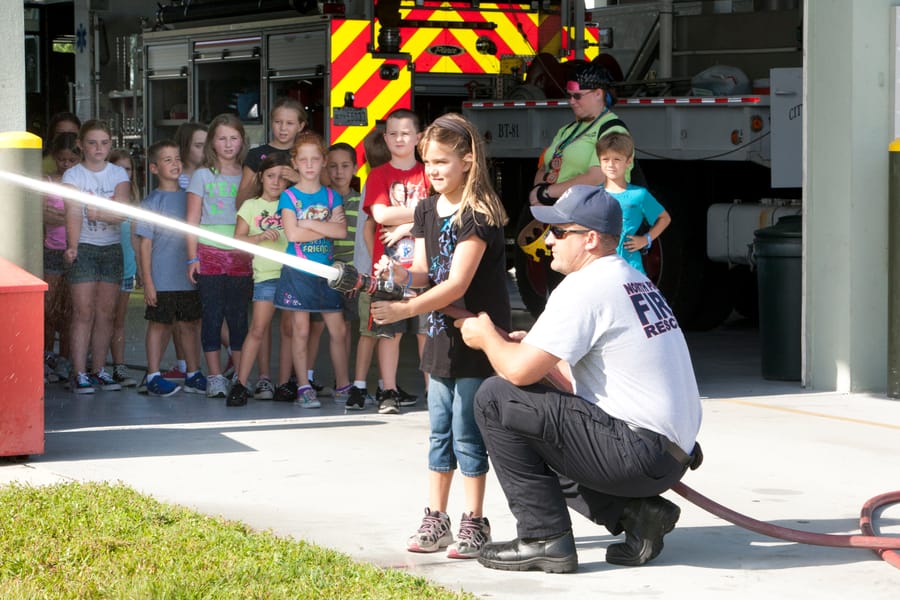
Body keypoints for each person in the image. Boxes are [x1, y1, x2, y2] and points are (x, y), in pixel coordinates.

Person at [457, 185, 702, 573]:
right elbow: (573, 382)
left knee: (496, 399)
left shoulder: (585, 287)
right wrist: (531, 349)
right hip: (667, 454)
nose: (547, 240)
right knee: (532, 415)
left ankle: (544, 539)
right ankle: (636, 514)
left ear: (590, 239)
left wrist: (487, 337)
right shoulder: (629, 279)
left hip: (638, 453)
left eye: (559, 231)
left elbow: (516, 371)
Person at [370, 113, 510, 559]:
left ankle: (475, 520)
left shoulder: (479, 214)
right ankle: (436, 517)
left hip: (474, 338)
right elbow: (425, 272)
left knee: (467, 432)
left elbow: (456, 284)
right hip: (439, 338)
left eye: (442, 161)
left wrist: (404, 309)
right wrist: (399, 274)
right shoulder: (426, 210)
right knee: (438, 433)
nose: (432, 170)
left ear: (467, 161)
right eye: (428, 162)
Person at [274, 130, 351, 408]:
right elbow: (292, 235)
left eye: (315, 159)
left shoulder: (332, 196)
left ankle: (344, 385)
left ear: (323, 161)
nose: (309, 165)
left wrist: (307, 224)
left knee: (338, 330)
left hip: (327, 272)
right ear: (294, 162)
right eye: (303, 159)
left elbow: (340, 231)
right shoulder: (289, 196)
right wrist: (324, 227)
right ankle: (303, 387)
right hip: (298, 272)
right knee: (301, 331)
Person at [362, 108, 429, 414]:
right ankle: (388, 391)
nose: (399, 138)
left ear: (418, 137)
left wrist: (405, 227)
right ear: (385, 138)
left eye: (405, 133)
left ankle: (433, 391)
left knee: (426, 331)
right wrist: (422, 212)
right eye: (393, 133)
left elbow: (439, 210)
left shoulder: (429, 173)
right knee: (390, 332)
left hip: (424, 268)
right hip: (387, 270)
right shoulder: (378, 175)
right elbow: (380, 215)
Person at [186, 113, 254, 400]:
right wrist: (192, 258)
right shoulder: (202, 175)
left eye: (233, 138)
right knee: (212, 316)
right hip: (209, 252)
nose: (228, 144)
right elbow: (191, 219)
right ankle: (215, 376)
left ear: (242, 141)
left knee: (238, 317)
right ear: (212, 142)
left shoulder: (249, 175)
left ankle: (240, 376)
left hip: (241, 253)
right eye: (222, 138)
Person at [62, 120, 131, 394]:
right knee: (83, 312)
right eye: (92, 142)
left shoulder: (118, 174)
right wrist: (72, 245)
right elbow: (73, 211)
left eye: (104, 143)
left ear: (110, 144)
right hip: (85, 246)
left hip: (111, 247)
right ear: (81, 145)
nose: (98, 148)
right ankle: (79, 372)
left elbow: (122, 212)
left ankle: (99, 369)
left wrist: (98, 212)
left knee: (106, 313)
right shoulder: (73, 176)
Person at [136, 140, 206, 397]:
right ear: (154, 168)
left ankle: (193, 374)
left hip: (188, 276)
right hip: (162, 279)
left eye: (177, 158)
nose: (175, 164)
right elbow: (144, 245)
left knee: (189, 324)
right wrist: (148, 281)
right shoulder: (151, 202)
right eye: (167, 160)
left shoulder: (191, 198)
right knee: (160, 324)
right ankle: (153, 375)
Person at [226, 154, 292, 407]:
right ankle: (240, 383)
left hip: (292, 274)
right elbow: (237, 240)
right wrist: (260, 237)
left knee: (289, 330)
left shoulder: (293, 202)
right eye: (271, 176)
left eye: (282, 177)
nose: (276, 182)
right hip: (266, 275)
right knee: (257, 329)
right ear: (261, 177)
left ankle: (284, 384)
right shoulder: (251, 206)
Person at [307, 142, 360, 404]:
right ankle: (305, 379)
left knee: (344, 327)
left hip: (349, 275)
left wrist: (356, 275)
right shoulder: (320, 201)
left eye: (345, 166)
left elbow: (363, 243)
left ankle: (343, 382)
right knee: (315, 326)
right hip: (322, 272)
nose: (339, 172)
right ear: (325, 168)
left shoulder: (362, 202)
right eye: (333, 166)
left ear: (356, 168)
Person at [346, 126, 391, 411]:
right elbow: (369, 231)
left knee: (370, 333)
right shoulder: (380, 185)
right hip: (377, 275)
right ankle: (374, 387)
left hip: (367, 273)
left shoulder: (369, 184)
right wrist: (378, 267)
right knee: (379, 332)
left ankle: (363, 386)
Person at [597, 133, 670, 274]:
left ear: (629, 161)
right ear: (599, 161)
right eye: (605, 159)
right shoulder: (593, 194)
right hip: (600, 267)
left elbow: (664, 218)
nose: (611, 165)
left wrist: (646, 239)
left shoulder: (639, 195)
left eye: (617, 159)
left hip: (630, 267)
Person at [42, 132, 80, 382]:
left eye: (71, 160)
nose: (65, 165)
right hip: (52, 250)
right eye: (61, 160)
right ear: (55, 158)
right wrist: (71, 217)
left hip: (75, 250)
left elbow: (81, 215)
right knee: (48, 309)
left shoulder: (80, 182)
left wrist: (61, 217)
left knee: (70, 311)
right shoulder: (47, 181)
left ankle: (65, 359)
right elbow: (42, 214)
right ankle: (46, 357)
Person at [106, 148, 141, 388]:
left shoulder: (133, 201)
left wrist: (141, 269)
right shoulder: (103, 197)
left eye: (127, 169)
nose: (123, 173)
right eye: (118, 168)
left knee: (118, 320)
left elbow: (136, 239)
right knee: (101, 318)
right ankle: (95, 365)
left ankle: (119, 365)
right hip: (105, 268)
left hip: (126, 269)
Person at [235, 97, 306, 206]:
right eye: (278, 122)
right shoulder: (255, 154)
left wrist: (298, 179)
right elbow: (240, 203)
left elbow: (320, 200)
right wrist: (257, 180)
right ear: (271, 122)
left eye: (289, 123)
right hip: (262, 215)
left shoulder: (306, 155)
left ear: (300, 126)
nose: (283, 128)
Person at [42, 112, 82, 177]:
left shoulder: (90, 163)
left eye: (72, 134)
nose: (66, 138)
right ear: (51, 136)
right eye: (61, 134)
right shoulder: (40, 165)